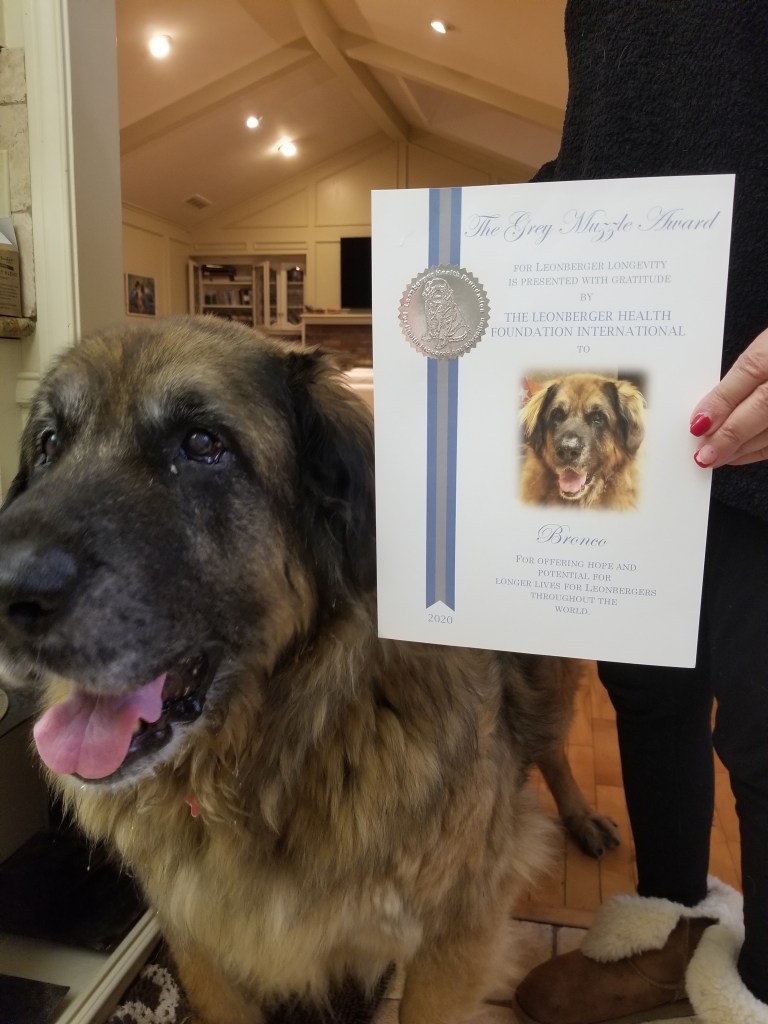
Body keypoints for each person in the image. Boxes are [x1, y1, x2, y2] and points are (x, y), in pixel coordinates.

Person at [514, 3, 768, 1023]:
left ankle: (759, 988)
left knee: (763, 733)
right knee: (650, 699)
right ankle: (667, 934)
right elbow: (609, 152)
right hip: (637, 425)